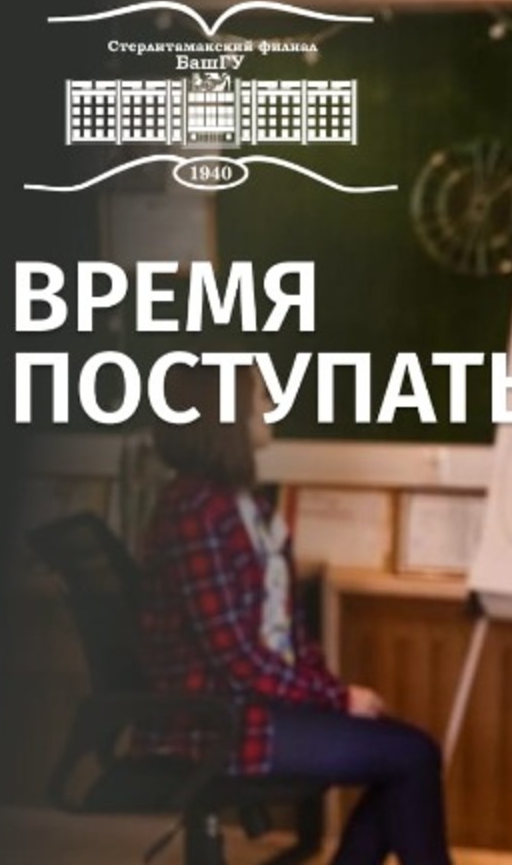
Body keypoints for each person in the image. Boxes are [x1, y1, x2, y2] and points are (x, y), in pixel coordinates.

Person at [136, 364, 454, 865]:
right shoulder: (195, 512)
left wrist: (330, 694)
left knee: (407, 753)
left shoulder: (244, 504)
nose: (271, 405)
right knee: (411, 756)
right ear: (228, 413)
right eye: (261, 395)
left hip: (253, 708)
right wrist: (336, 697)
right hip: (219, 723)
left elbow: (284, 631)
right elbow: (238, 658)